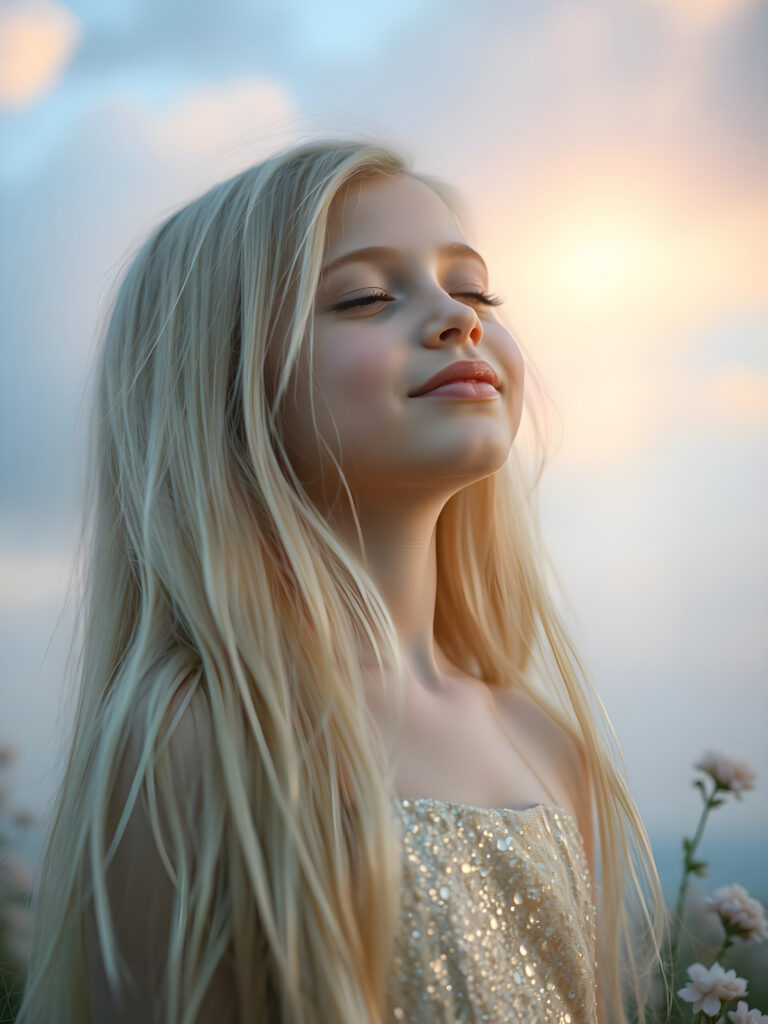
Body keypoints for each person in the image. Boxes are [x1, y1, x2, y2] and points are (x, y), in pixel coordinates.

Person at [17, 137, 670, 1023]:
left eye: (473, 289)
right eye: (365, 296)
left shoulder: (549, 746)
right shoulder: (200, 736)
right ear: (228, 385)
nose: (457, 318)